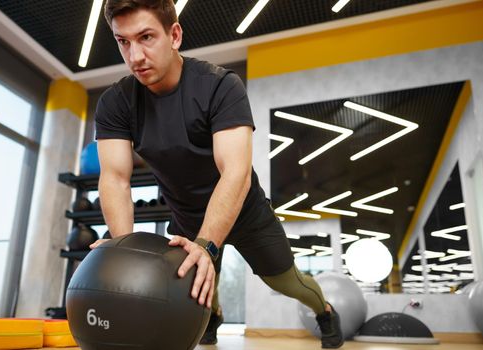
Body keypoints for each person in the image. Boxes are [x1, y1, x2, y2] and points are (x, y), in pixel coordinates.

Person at [89, 0, 344, 348]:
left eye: (146, 37)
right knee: (192, 280)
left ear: (174, 34)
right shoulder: (116, 102)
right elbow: (115, 178)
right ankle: (214, 316)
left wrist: (207, 245)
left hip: (246, 211)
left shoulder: (219, 86)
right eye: (124, 42)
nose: (135, 56)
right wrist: (121, 249)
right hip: (185, 213)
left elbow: (235, 172)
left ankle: (324, 310)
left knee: (285, 281)